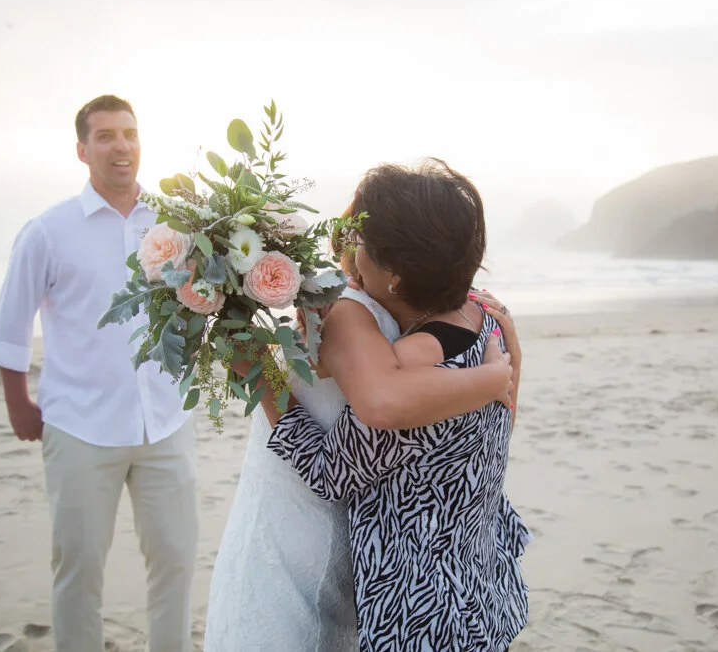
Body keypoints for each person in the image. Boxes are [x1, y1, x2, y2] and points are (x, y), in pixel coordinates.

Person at [219, 159, 529, 651]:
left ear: (396, 275)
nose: (351, 246)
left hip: (423, 615)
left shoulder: (412, 381)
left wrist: (260, 374)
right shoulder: (485, 317)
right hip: (481, 587)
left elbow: (328, 474)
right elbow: (504, 423)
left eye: (362, 242)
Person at [0, 95, 197, 652]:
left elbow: (206, 302)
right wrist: (19, 405)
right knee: (79, 571)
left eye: (129, 133)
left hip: (166, 424)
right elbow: (10, 326)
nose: (120, 145)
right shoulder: (48, 232)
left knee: (175, 562)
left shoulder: (177, 224)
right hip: (80, 426)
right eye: (105, 136)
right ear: (82, 150)